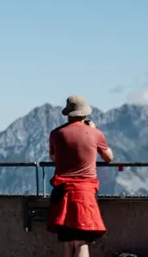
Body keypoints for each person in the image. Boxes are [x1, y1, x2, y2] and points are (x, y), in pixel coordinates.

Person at [47, 95, 115, 257]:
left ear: (68, 114)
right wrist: (92, 131)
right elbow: (109, 157)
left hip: (62, 191)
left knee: (68, 242)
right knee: (81, 242)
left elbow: (53, 157)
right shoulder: (95, 134)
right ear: (84, 113)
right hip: (84, 193)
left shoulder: (56, 134)